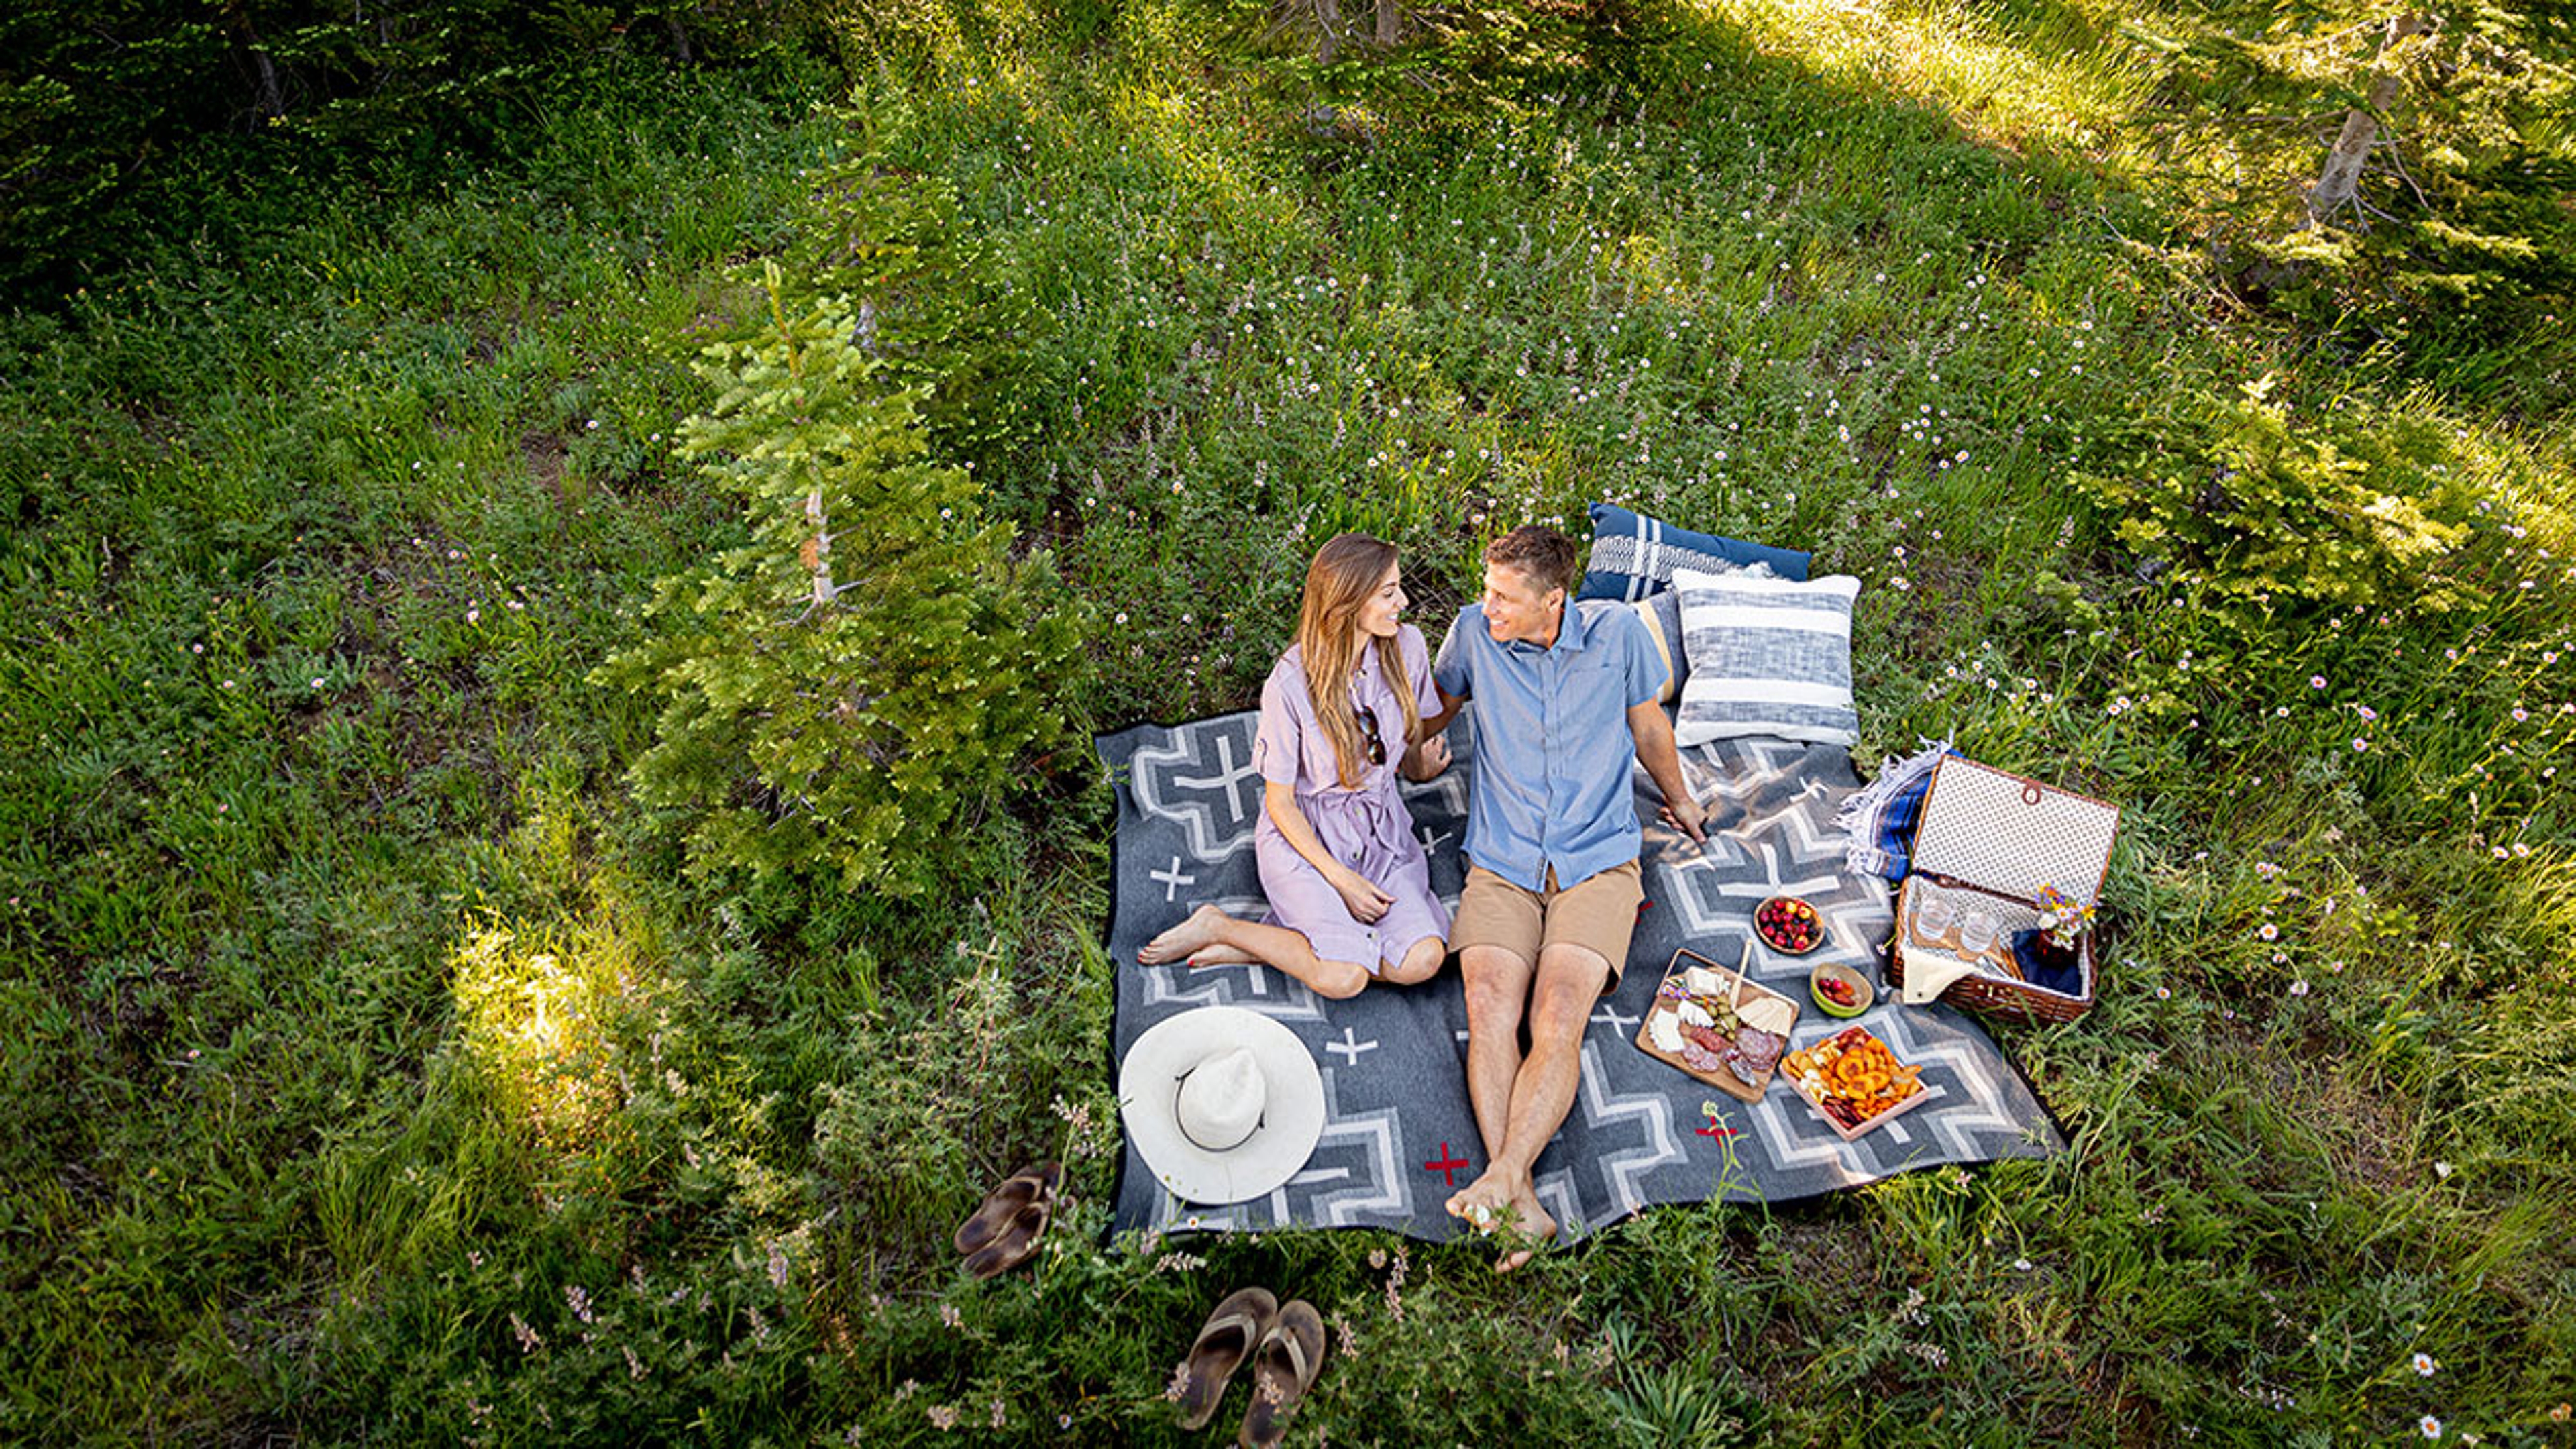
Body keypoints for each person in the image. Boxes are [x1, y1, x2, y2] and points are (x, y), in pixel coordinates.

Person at [1421, 524, 1708, 1268]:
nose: (1487, 609)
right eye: (1486, 591)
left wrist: (1683, 802)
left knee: (1557, 1014)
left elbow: (1650, 729)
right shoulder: (1470, 634)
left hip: (1598, 861)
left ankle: (1505, 1180)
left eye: (1505, 599)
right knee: (1488, 1008)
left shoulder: (1619, 635)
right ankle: (1513, 1187)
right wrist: (1386, 751)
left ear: (1554, 603)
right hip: (1503, 858)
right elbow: (1431, 720)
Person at [1137, 533, 1453, 998]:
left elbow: (1404, 729)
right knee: (1344, 978)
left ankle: (1275, 948)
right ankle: (1223, 927)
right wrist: (1340, 879)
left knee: (1423, 961)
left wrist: (1416, 767)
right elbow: (1280, 803)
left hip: (1380, 832)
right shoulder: (1289, 683)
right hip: (1306, 838)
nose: (1403, 602)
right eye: (1389, 593)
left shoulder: (1408, 647)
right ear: (1347, 603)